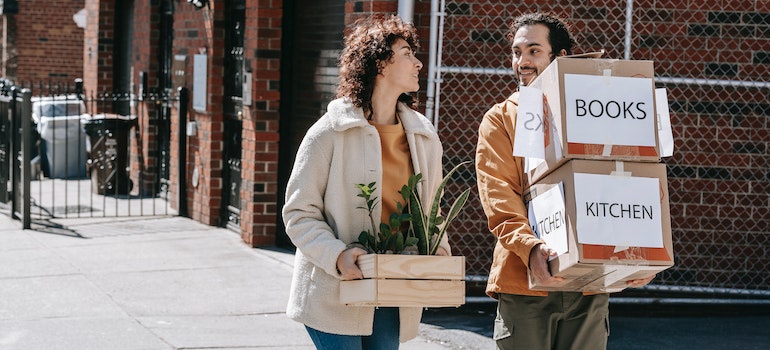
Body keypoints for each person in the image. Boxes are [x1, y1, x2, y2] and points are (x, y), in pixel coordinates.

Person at [474, 12, 656, 350]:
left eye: (533, 51)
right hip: (525, 279)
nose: (522, 62)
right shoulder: (501, 118)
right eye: (516, 52)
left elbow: (626, 177)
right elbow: (499, 195)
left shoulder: (596, 110)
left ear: (561, 57)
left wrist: (640, 252)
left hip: (588, 284)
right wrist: (531, 249)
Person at [282, 14, 450, 350]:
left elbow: (432, 212)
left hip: (392, 288)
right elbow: (298, 213)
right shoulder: (329, 132)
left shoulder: (424, 137)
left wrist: (437, 254)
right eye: (406, 54)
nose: (418, 63)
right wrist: (338, 256)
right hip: (333, 292)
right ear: (380, 64)